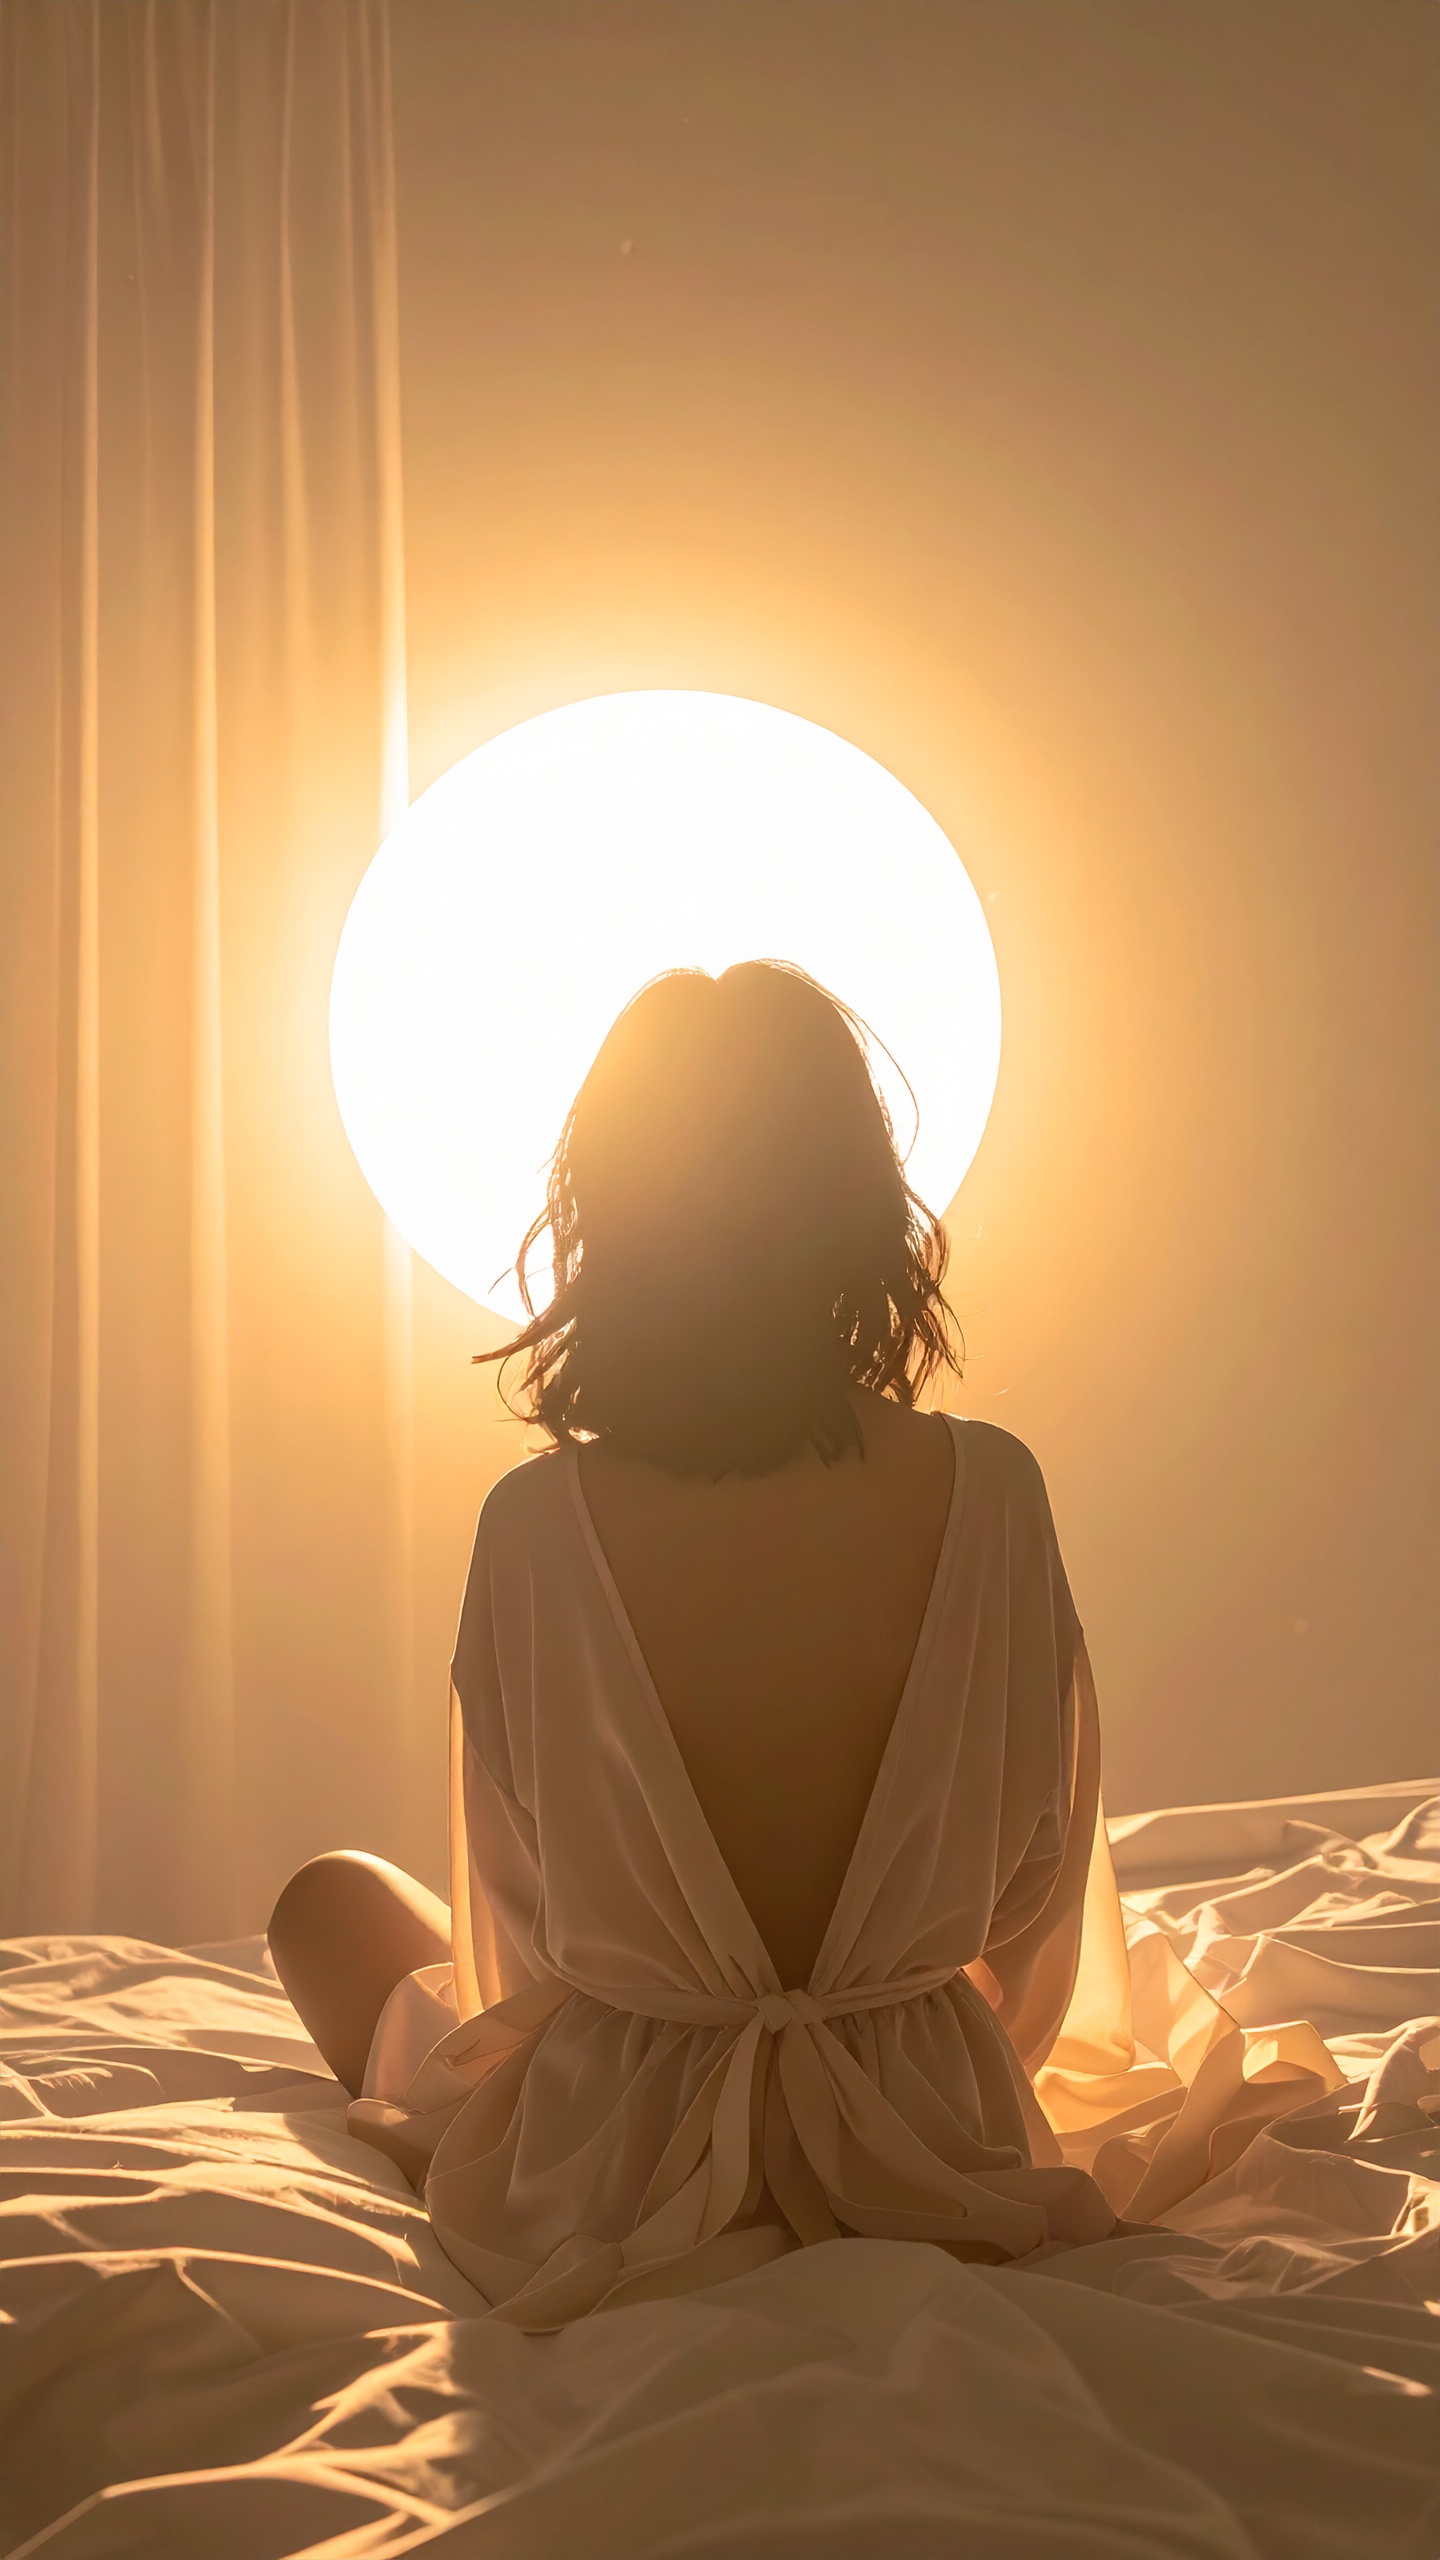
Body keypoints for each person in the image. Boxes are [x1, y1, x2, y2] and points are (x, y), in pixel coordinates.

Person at [268, 960, 1118, 2327]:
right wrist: (883, 2037)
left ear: (610, 1219)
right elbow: (1033, 1883)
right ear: (858, 1207)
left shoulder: (536, 1523)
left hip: (621, 2159)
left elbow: (528, 1940)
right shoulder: (994, 1489)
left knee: (328, 1902)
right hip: (927, 2125)